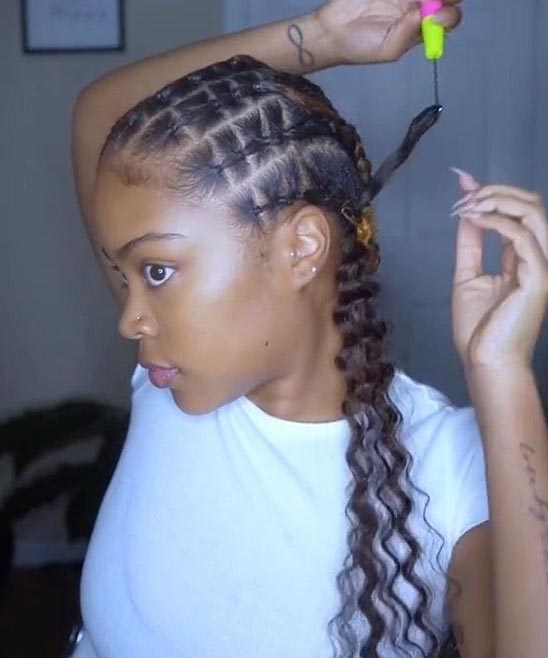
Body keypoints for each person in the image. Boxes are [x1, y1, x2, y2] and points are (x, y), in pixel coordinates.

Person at [68, 1, 548, 657]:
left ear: (301, 248)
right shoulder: (170, 380)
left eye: (155, 271)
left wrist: (503, 376)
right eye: (128, 275)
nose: (131, 318)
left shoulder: (447, 468)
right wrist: (322, 37)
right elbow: (103, 119)